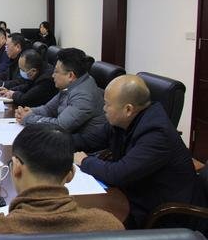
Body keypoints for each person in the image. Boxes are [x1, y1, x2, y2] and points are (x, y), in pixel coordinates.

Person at [74, 75, 207, 229]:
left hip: (165, 215)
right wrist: (56, 141)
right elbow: (86, 140)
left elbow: (118, 174)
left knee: (92, 224)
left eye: (107, 104)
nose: (103, 109)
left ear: (128, 109)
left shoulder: (157, 134)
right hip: (136, 193)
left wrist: (84, 161)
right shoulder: (123, 121)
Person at [15, 48, 106, 151]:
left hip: (82, 150)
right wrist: (30, 111)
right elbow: (48, 109)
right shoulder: (73, 84)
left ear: (70, 76)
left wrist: (28, 118)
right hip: (66, 141)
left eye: (56, 72)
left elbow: (60, 127)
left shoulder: (84, 96)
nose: (53, 75)